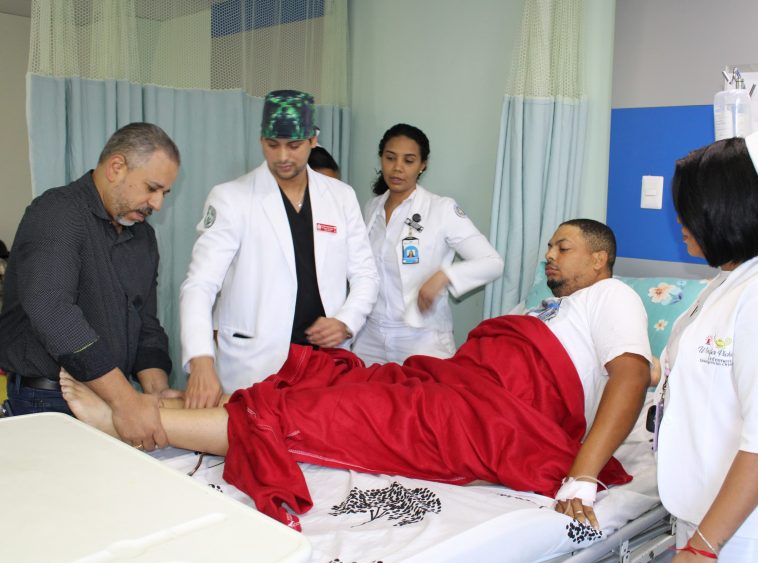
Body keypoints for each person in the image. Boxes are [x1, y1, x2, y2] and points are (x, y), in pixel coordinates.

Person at [63, 219, 652, 530]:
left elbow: (629, 380)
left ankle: (136, 421)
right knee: (331, 377)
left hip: (493, 416)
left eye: (565, 248)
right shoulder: (541, 310)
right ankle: (176, 408)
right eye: (549, 246)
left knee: (337, 411)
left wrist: (580, 478)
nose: (549, 255)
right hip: (461, 385)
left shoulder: (614, 297)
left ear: (600, 259)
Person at [655, 130, 758, 563]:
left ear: (724, 212)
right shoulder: (729, 283)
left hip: (753, 532)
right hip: (711, 516)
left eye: (686, 210)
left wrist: (703, 546)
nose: (680, 222)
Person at [179, 90, 378, 408]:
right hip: (256, 361)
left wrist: (346, 320)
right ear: (261, 140)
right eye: (273, 145)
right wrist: (201, 359)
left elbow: (366, 274)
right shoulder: (231, 198)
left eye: (294, 145)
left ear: (313, 140)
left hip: (322, 362)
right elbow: (200, 284)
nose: (283, 156)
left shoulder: (341, 197)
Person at [0, 122, 179, 450]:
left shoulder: (143, 236)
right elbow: (52, 312)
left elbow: (146, 323)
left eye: (164, 193)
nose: (158, 204)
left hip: (111, 398)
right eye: (152, 188)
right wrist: (127, 401)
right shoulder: (58, 212)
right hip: (46, 401)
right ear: (116, 167)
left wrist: (155, 393)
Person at [353, 124, 504, 365]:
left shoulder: (441, 209)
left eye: (409, 160)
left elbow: (493, 263)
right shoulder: (371, 209)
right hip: (370, 335)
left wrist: (444, 276)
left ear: (423, 165)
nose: (397, 168)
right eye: (390, 158)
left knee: (428, 401)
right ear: (381, 159)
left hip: (421, 337)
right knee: (363, 397)